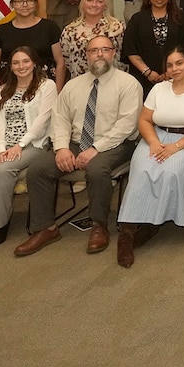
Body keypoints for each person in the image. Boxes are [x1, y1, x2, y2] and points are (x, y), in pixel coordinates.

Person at [14, 35, 142, 257]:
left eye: (105, 50)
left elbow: (126, 125)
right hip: (76, 142)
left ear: (113, 53)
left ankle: (99, 226)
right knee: (38, 169)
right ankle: (45, 229)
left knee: (97, 169)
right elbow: (60, 119)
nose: (99, 54)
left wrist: (96, 148)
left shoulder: (129, 84)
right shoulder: (73, 86)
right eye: (94, 51)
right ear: (86, 55)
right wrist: (62, 148)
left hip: (116, 144)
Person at [0, 45, 56, 249]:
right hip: (1, 144)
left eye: (26, 61)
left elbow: (42, 120)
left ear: (34, 63)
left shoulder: (47, 86)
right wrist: (0, 149)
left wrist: (20, 145)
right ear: (10, 66)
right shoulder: (2, 90)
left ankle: (0, 224)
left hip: (33, 143)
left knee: (3, 170)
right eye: (16, 63)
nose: (21, 66)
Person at [0, 0, 63, 98]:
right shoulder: (1, 31)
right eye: (19, 1)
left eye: (29, 1)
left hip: (44, 89)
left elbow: (60, 62)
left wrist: (58, 93)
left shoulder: (50, 27)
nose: (25, 5)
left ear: (36, 3)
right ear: (12, 4)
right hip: (9, 88)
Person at [122, 0, 184, 93]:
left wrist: (170, 72)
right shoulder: (137, 19)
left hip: (176, 77)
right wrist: (147, 72)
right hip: (143, 80)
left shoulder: (181, 18)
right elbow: (130, 50)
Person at [59, 0, 126, 79]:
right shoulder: (69, 31)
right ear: (83, 4)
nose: (94, 5)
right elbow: (67, 60)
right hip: (81, 81)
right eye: (89, 1)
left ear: (105, 5)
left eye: (99, 1)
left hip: (113, 80)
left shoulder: (117, 28)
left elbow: (124, 57)